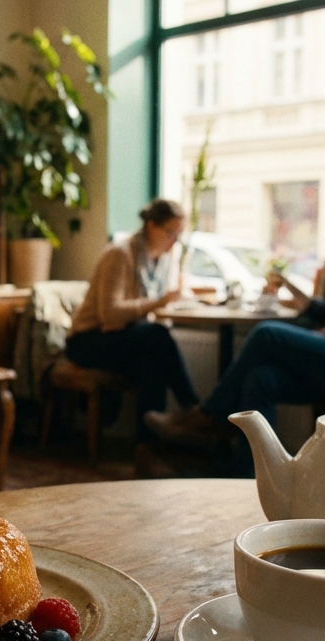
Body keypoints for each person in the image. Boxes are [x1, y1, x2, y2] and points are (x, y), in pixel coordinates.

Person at [144, 177, 325, 453]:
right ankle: (246, 475)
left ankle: (207, 417)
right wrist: (292, 292)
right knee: (260, 379)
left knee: (267, 333)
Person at [64, 198, 200, 478]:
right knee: (158, 336)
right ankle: (194, 409)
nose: (175, 241)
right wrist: (158, 303)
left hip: (120, 335)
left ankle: (145, 454)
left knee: (153, 364)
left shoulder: (164, 259)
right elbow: (109, 313)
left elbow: (142, 310)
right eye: (170, 233)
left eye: (179, 235)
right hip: (87, 339)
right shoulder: (121, 253)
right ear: (151, 226)